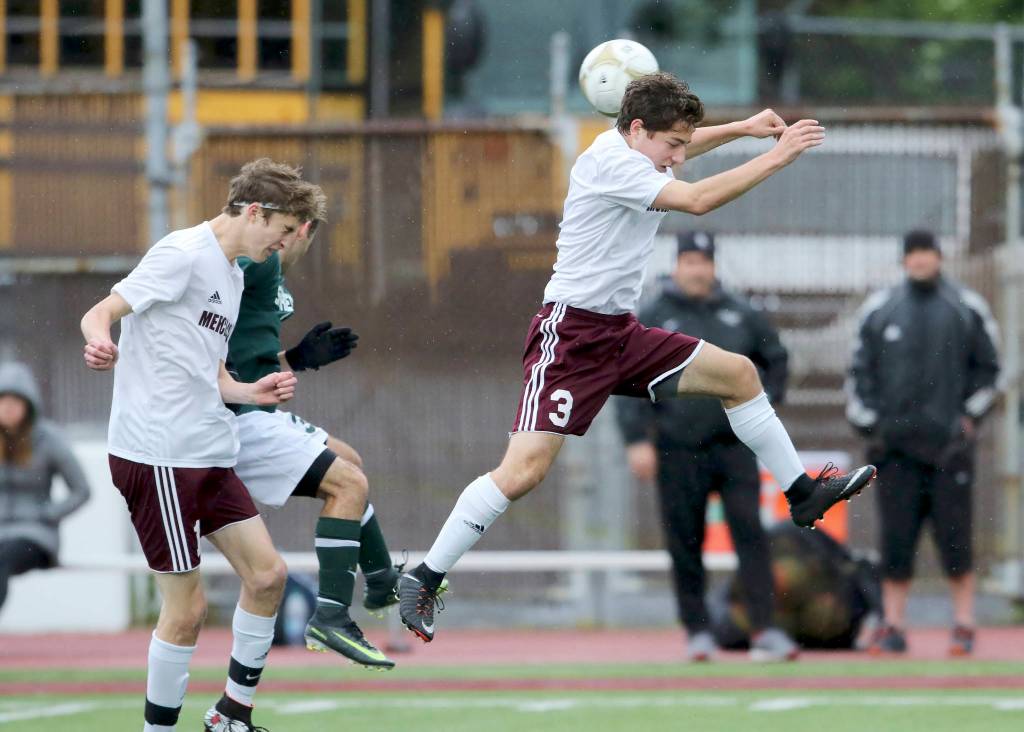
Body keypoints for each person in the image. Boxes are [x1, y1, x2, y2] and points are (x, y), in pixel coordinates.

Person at [397, 72, 877, 643]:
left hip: (621, 335)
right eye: (671, 145)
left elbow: (681, 144)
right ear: (637, 129)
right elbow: (696, 200)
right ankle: (424, 576)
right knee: (523, 471)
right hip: (570, 338)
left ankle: (802, 494)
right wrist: (777, 157)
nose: (678, 155)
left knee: (739, 375)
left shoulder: (637, 148)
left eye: (682, 144)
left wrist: (743, 129)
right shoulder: (612, 164)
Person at [81, 158, 318, 732]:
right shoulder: (182, 254)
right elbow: (101, 311)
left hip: (209, 449)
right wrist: (99, 341)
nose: (285, 245)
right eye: (283, 231)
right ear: (255, 211)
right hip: (159, 454)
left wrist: (251, 391)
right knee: (185, 612)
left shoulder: (233, 274)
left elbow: (209, 373)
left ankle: (230, 716)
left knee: (267, 576)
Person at [226, 187, 398, 670]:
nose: (284, 244)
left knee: (351, 462)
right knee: (348, 482)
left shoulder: (267, 269)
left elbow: (246, 355)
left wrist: (294, 360)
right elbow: (211, 343)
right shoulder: (253, 263)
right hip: (234, 417)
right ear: (303, 230)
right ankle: (334, 613)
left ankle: (383, 580)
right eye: (284, 233)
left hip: (253, 407)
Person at [616, 230, 797, 662]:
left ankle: (765, 630)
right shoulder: (654, 315)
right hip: (677, 449)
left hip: (734, 450)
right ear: (677, 265)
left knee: (750, 535)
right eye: (690, 261)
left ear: (714, 266)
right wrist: (637, 438)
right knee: (685, 541)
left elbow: (777, 362)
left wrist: (762, 413)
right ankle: (697, 631)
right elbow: (626, 378)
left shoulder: (743, 314)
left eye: (704, 261)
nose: (697, 270)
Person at [846, 229, 1000, 657]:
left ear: (939, 257)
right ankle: (893, 626)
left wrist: (967, 419)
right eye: (912, 254)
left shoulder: (966, 307)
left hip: (950, 452)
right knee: (896, 542)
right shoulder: (879, 310)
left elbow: (991, 372)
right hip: (895, 453)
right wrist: (872, 425)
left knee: (956, 541)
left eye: (927, 253)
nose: (920, 261)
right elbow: (858, 374)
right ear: (904, 260)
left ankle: (964, 626)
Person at [0, 360, 91, 612]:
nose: (8, 408)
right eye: (3, 400)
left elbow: (81, 491)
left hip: (34, 535)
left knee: (3, 559)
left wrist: (47, 514)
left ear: (28, 405)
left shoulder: (48, 440)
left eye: (15, 401)